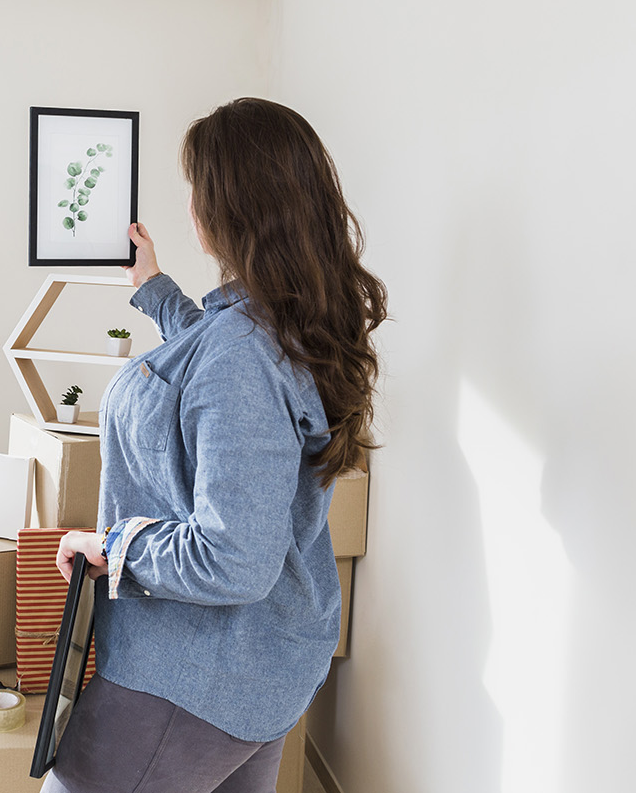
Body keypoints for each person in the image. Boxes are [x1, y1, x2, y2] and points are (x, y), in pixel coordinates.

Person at [44, 97, 387, 793]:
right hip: (259, 669)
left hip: (187, 679)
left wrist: (111, 546)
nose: (191, 205)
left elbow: (233, 560)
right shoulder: (281, 320)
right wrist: (152, 287)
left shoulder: (241, 354)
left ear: (225, 209)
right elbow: (209, 361)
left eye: (196, 189)